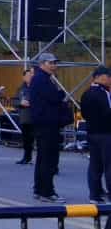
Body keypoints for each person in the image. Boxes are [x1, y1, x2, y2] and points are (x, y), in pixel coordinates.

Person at [30, 53, 68, 202]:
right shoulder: (42, 79)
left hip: (43, 123)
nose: (54, 66)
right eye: (50, 63)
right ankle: (47, 191)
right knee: (49, 159)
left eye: (54, 63)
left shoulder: (42, 78)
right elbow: (54, 97)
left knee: (42, 158)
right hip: (47, 124)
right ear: (42, 64)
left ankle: (39, 189)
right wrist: (61, 93)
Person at [81, 66, 111, 204]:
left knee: (95, 164)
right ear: (99, 77)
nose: (110, 79)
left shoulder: (86, 93)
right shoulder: (103, 93)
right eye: (108, 77)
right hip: (106, 133)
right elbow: (107, 113)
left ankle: (94, 194)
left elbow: (84, 114)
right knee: (108, 165)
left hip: (92, 132)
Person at [14, 69, 35, 165]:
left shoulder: (36, 87)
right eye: (27, 76)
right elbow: (15, 101)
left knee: (34, 139)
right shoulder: (21, 89)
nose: (29, 77)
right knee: (26, 139)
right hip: (24, 118)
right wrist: (20, 103)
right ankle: (26, 157)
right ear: (24, 77)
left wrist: (31, 103)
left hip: (34, 117)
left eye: (30, 75)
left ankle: (37, 159)